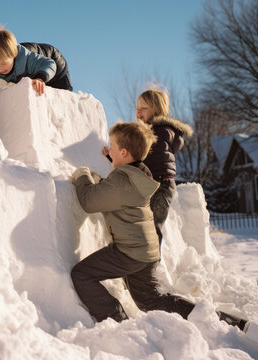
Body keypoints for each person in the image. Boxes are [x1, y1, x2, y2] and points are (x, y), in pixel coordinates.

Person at [71, 120, 248, 331]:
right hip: (146, 251)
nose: (109, 150)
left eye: (112, 147)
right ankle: (219, 319)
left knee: (81, 274)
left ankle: (119, 325)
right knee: (153, 300)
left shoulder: (122, 181)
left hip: (129, 253)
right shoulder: (138, 174)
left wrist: (82, 175)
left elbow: (89, 201)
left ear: (125, 153)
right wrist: (102, 177)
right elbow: (113, 192)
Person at [102, 89, 192, 245]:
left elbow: (136, 159)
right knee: (143, 224)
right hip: (152, 185)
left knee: (152, 226)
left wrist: (113, 156)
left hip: (160, 186)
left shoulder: (158, 132)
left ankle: (150, 264)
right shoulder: (153, 132)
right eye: (137, 107)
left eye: (144, 107)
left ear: (156, 109)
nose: (138, 111)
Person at [0, 28, 72, 133]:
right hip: (30, 71)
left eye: (3, 64)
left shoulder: (27, 59)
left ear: (14, 55)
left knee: (62, 102)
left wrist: (40, 77)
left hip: (54, 65)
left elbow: (49, 63)